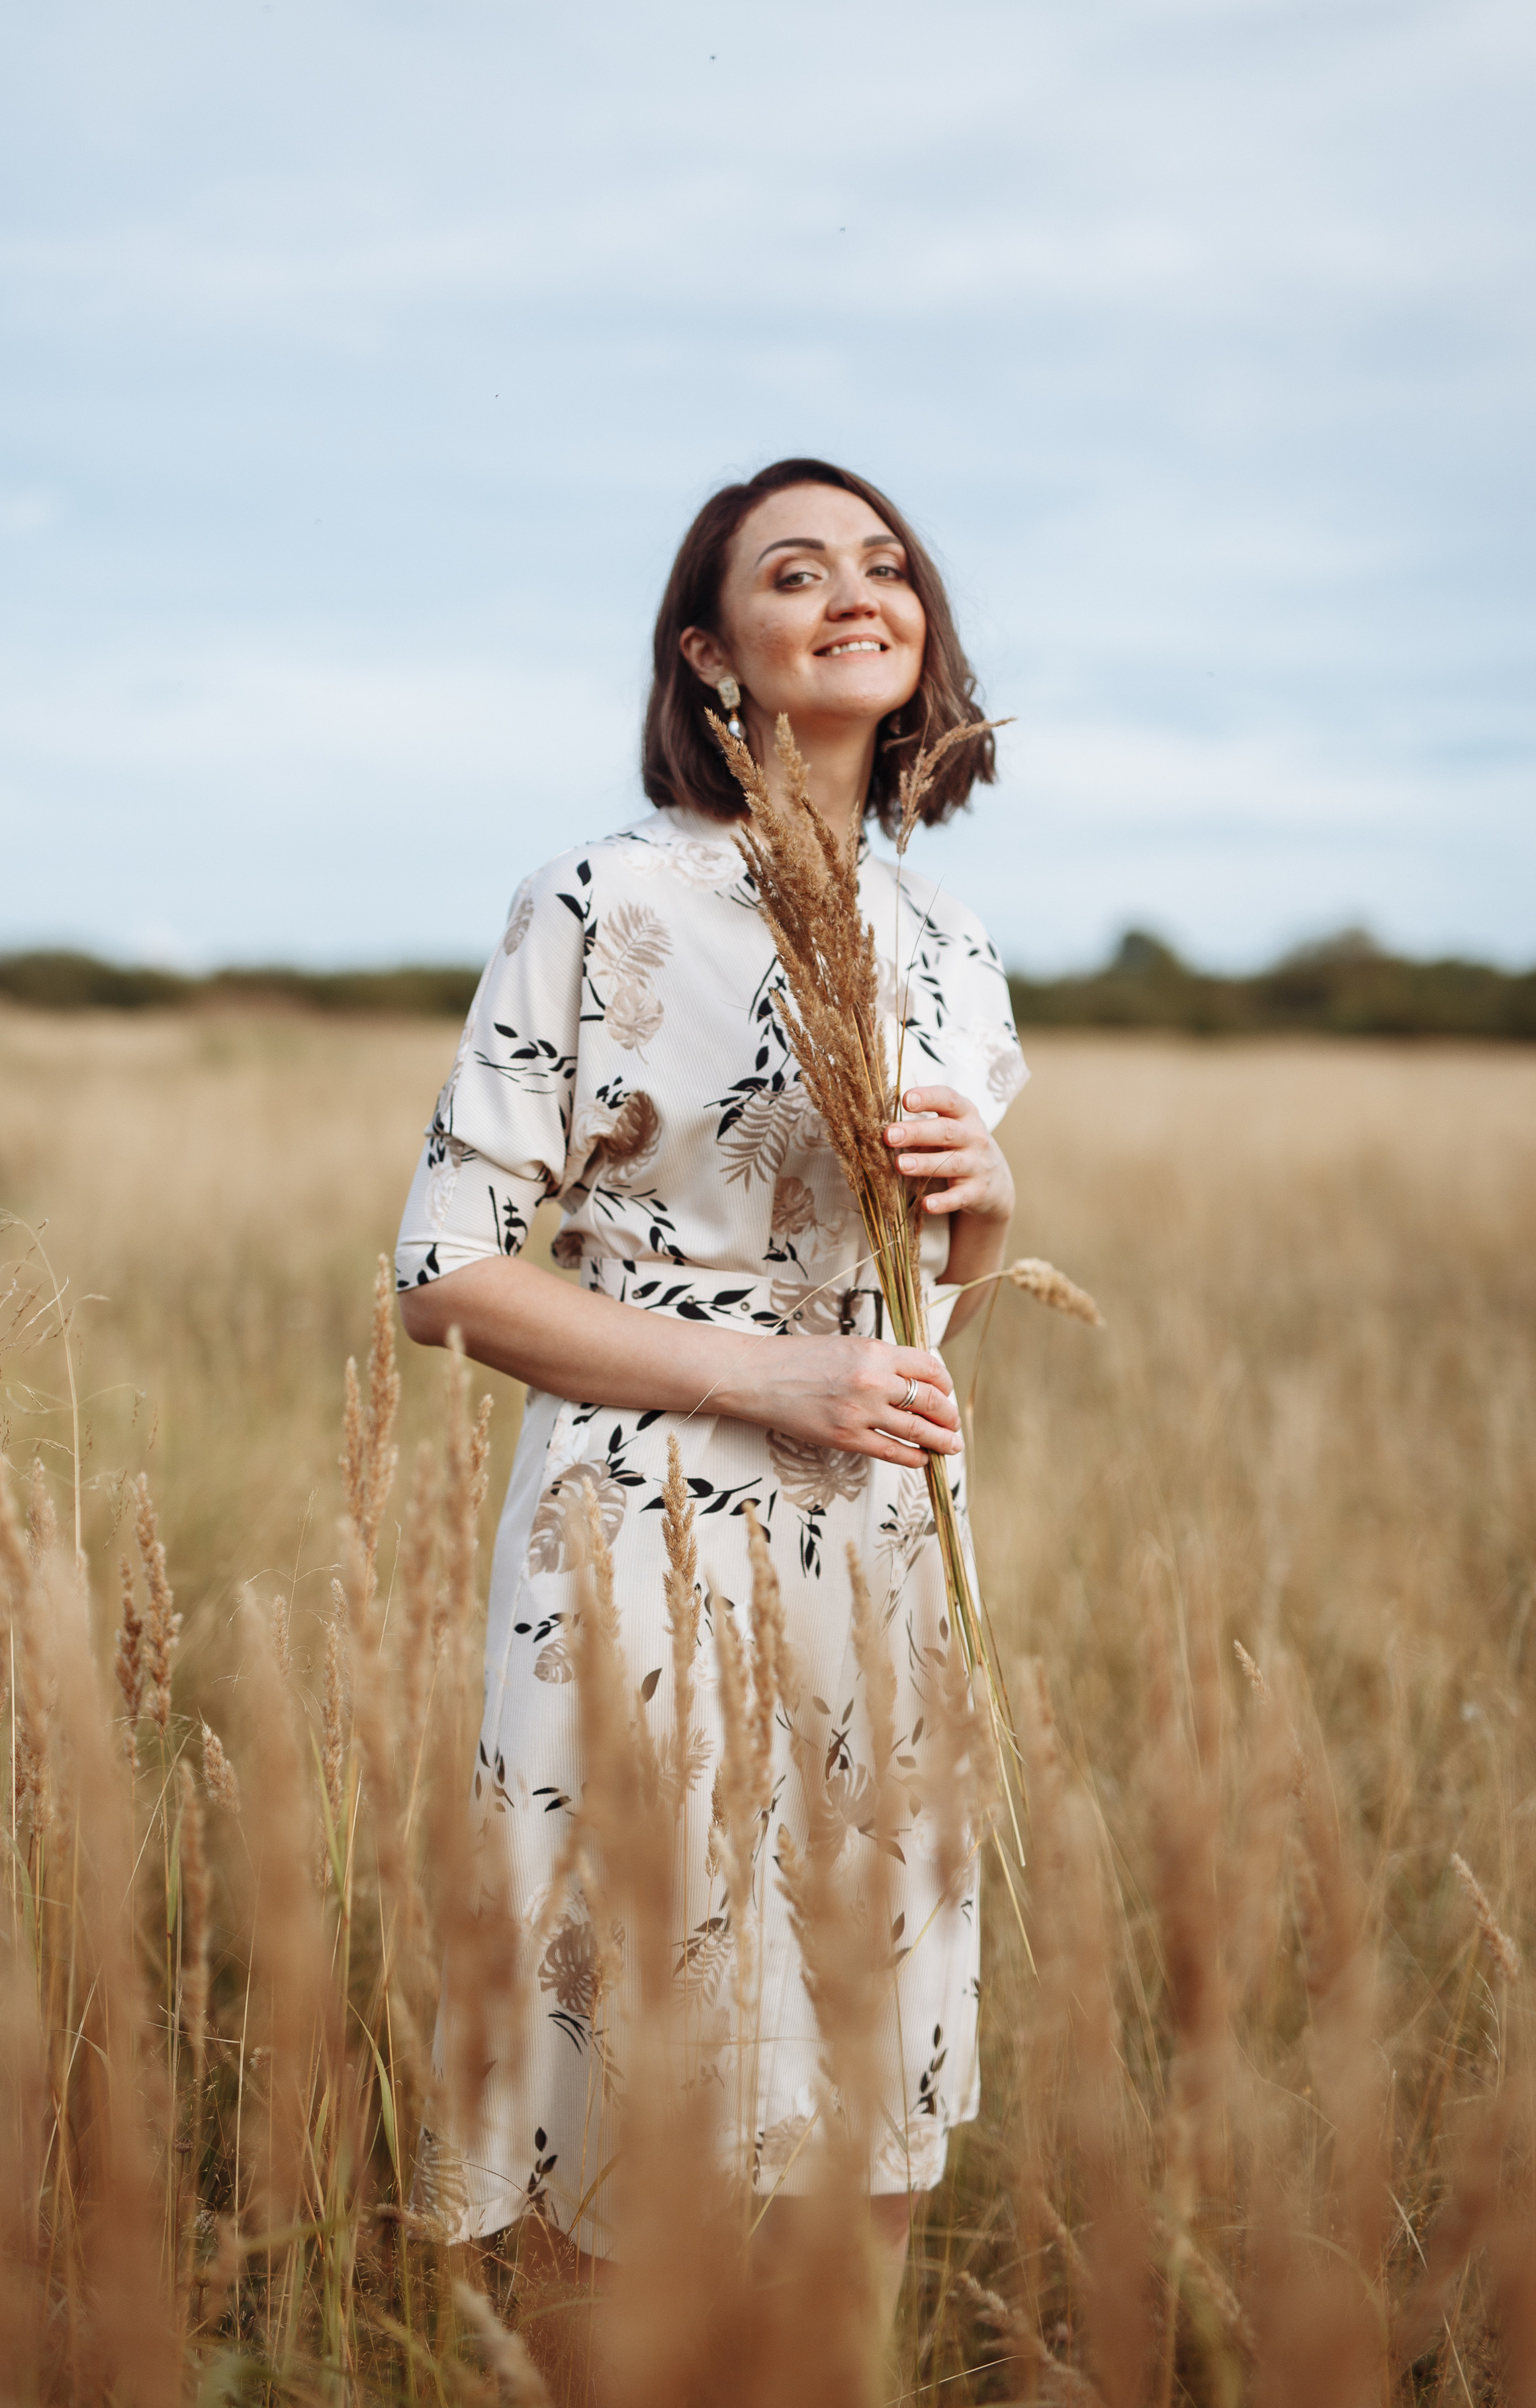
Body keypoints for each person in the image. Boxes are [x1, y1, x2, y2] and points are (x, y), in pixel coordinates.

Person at [395, 457, 1028, 2360]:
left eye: (886, 566)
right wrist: (766, 1372)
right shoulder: (603, 900)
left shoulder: (950, 941)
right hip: (645, 1517)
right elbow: (446, 1271)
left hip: (886, 1534)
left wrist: (988, 1213)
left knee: (872, 2032)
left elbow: (926, 1313)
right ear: (710, 654)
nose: (856, 593)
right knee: (633, 2034)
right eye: (796, 571)